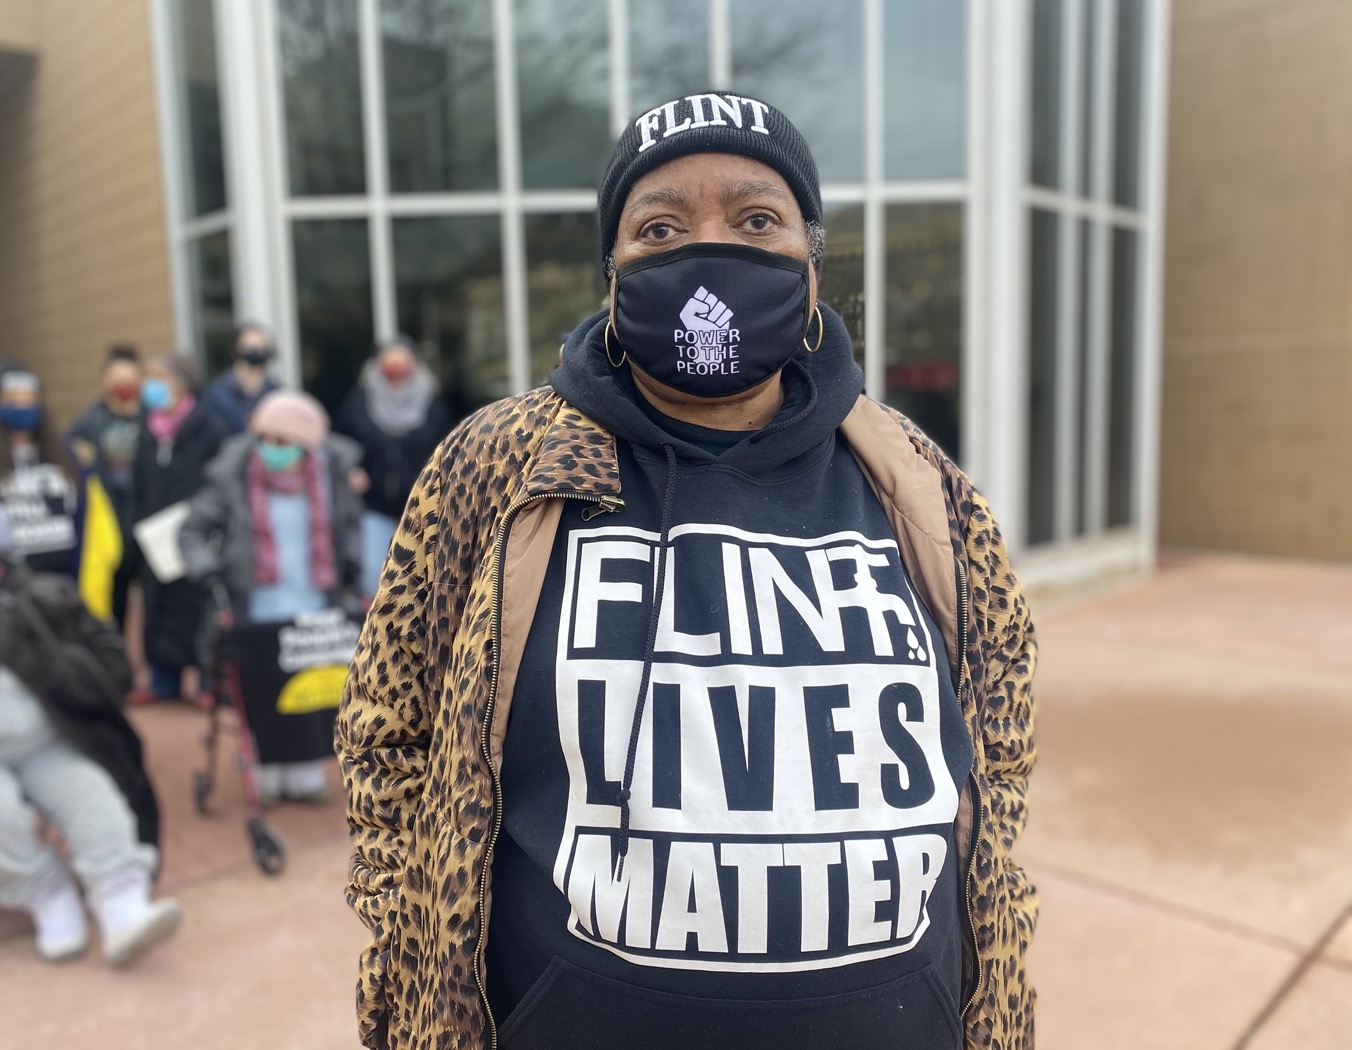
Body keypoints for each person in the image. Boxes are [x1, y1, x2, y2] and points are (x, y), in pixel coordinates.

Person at [337, 92, 1038, 1050]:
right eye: (659, 225)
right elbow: (387, 734)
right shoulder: (498, 464)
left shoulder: (917, 477)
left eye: (756, 218)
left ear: (810, 252)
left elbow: (998, 743)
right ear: (613, 272)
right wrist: (408, 942)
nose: (709, 249)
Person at [0, 499, 182, 967]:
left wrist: (62, 667)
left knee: (93, 795)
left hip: (54, 741)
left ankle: (122, 906)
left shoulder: (48, 594)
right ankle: (45, 892)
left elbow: (111, 661)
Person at [179, 389, 363, 807]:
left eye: (284, 442)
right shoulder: (231, 477)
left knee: (311, 691)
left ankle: (306, 773)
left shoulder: (330, 477)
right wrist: (206, 570)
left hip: (315, 601)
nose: (271, 450)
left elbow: (350, 527)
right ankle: (265, 769)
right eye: (265, 438)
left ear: (307, 444)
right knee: (265, 692)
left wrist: (353, 565)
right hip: (257, 605)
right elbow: (191, 530)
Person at [0, 361, 121, 620]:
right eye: (12, 399)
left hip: (67, 589)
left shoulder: (70, 457)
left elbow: (99, 528)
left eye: (29, 398)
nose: (22, 406)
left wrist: (93, 591)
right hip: (5, 597)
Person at [131, 352, 230, 704]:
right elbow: (138, 481)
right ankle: (163, 681)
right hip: (153, 535)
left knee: (197, 606)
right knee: (157, 605)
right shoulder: (146, 429)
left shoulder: (210, 426)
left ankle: (206, 681)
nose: (151, 387)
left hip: (193, 531)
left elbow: (219, 481)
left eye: (160, 377)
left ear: (182, 383)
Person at [333, 335, 455, 598]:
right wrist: (352, 467)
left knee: (419, 577)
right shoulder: (358, 401)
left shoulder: (432, 403)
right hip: (373, 504)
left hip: (421, 505)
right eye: (390, 359)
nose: (396, 365)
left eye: (402, 359)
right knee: (372, 579)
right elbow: (339, 443)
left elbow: (448, 446)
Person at [68, 344, 146, 628]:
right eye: (117, 379)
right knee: (115, 604)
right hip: (110, 525)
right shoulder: (89, 423)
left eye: (129, 378)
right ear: (104, 381)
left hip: (145, 521)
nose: (123, 385)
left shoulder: (152, 421)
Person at [203, 322, 280, 433]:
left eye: (260, 347)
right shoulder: (217, 395)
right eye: (249, 346)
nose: (255, 351)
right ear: (236, 349)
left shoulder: (277, 393)